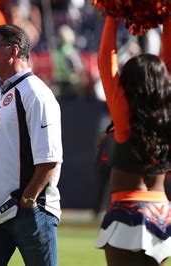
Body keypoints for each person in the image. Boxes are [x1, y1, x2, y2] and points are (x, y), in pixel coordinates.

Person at [0, 24, 63, 266]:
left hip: (28, 212)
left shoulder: (36, 93)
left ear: (13, 51)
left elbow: (49, 158)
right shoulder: (1, 95)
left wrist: (28, 199)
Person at [96, 16, 171, 265]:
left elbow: (106, 64)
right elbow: (168, 63)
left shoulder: (126, 120)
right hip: (162, 213)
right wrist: (167, 17)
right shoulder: (167, 116)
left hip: (128, 211)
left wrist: (111, 17)